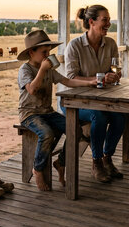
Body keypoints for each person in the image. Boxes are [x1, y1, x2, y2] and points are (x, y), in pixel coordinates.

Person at [17, 29, 95, 191]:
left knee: (76, 129)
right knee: (47, 134)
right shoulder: (25, 70)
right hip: (29, 113)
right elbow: (32, 89)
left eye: (49, 52)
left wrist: (89, 83)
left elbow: (67, 81)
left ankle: (61, 162)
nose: (47, 55)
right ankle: (37, 169)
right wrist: (43, 70)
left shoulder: (49, 70)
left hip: (47, 112)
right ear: (31, 52)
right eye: (44, 52)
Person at [60, 4, 125, 183]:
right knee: (99, 117)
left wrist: (114, 76)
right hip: (74, 102)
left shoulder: (110, 43)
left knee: (121, 117)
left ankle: (107, 157)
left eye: (109, 20)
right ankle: (96, 162)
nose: (109, 24)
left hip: (100, 99)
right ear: (91, 22)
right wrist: (94, 80)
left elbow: (115, 71)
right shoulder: (74, 46)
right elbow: (71, 77)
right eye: (105, 20)